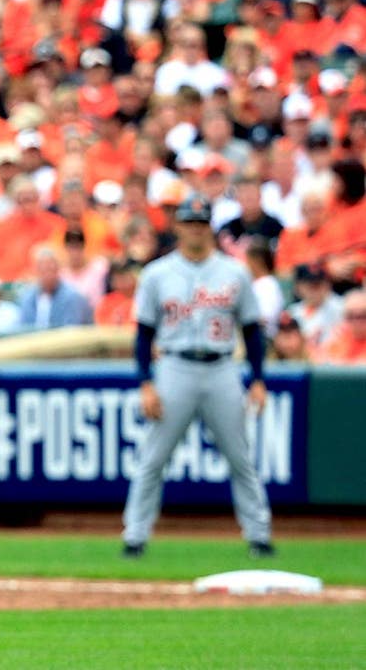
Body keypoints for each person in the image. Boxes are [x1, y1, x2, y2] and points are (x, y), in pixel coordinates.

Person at [122, 196, 274, 560]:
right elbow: (143, 334)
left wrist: (257, 378)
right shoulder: (158, 273)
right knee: (153, 458)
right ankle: (135, 536)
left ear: (210, 227)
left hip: (222, 367)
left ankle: (259, 535)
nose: (195, 229)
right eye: (189, 222)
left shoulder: (234, 272)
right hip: (175, 366)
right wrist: (145, 382)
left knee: (240, 457)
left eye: (201, 223)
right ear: (178, 227)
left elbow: (252, 330)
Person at [16, 246, 94, 330]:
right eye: (43, 270)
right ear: (35, 271)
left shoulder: (72, 298)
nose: (48, 274)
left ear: (58, 269)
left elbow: (71, 331)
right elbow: (24, 328)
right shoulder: (28, 298)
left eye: (51, 269)